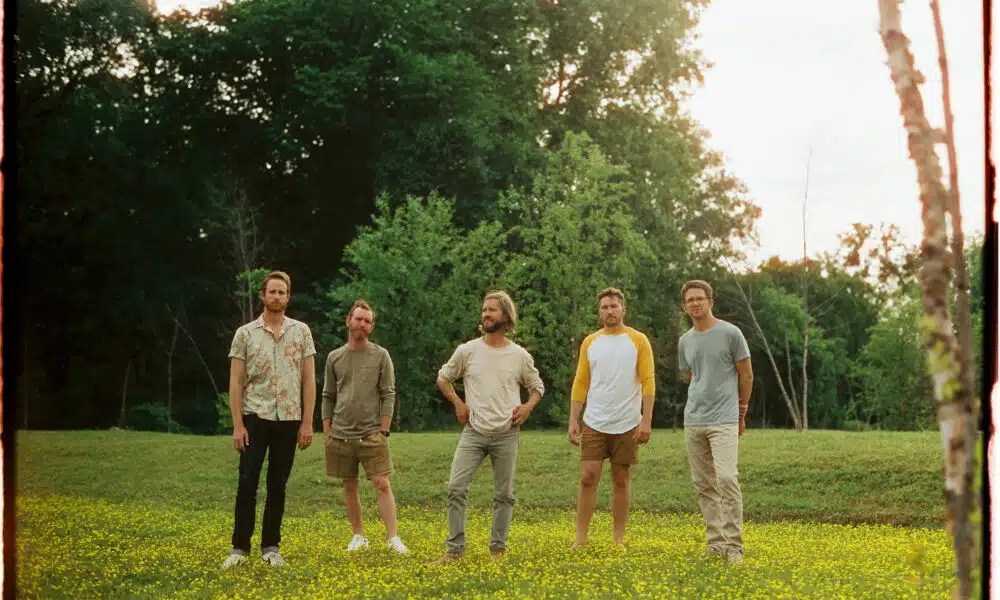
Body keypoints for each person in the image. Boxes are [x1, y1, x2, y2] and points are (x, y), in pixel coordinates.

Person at [432, 291, 545, 564]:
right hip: (474, 431)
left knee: (504, 495)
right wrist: (458, 404)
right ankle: (454, 551)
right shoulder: (467, 350)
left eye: (492, 310)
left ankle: (498, 551)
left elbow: (537, 387)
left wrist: (528, 407)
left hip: (507, 433)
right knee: (456, 488)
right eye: (484, 310)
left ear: (506, 316)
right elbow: (443, 378)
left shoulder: (518, 355)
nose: (485, 314)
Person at [223, 270, 316, 568]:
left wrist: (307, 422)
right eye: (272, 292)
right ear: (262, 296)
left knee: (278, 484)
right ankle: (240, 549)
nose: (277, 297)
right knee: (247, 482)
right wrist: (237, 424)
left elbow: (309, 381)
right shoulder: (245, 334)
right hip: (255, 417)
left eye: (282, 292)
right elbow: (236, 382)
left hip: (289, 419)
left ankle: (271, 547)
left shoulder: (301, 332)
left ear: (288, 297)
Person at [568, 287, 654, 550]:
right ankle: (580, 539)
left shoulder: (638, 340)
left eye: (614, 306)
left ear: (623, 310)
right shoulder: (590, 342)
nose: (609, 311)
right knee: (587, 477)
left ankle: (618, 540)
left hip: (627, 423)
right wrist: (574, 419)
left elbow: (649, 381)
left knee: (621, 479)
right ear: (600, 311)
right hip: (594, 421)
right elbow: (581, 381)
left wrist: (646, 421)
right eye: (605, 307)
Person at [322, 299, 408, 554]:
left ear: (371, 327)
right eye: (359, 318)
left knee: (382, 483)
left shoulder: (381, 355)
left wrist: (383, 429)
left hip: (372, 433)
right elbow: (328, 395)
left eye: (368, 321)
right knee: (350, 485)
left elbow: (388, 393)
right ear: (349, 321)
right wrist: (327, 432)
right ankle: (358, 536)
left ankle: (393, 538)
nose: (362, 323)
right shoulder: (334, 357)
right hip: (340, 435)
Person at [677, 279, 753, 564]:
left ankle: (735, 546)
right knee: (704, 484)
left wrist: (741, 413)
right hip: (694, 420)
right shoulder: (685, 341)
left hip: (725, 419)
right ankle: (715, 544)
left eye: (700, 298)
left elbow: (746, 376)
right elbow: (692, 375)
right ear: (685, 307)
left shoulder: (731, 333)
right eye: (690, 300)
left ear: (711, 301)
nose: (695, 303)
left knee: (727, 478)